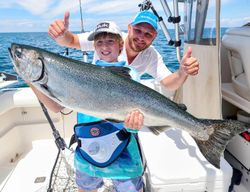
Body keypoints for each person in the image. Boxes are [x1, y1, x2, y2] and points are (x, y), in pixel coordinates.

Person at [29, 21, 145, 192]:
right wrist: (30, 78)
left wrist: (135, 125)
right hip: (87, 151)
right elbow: (55, 107)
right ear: (94, 47)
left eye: (110, 41)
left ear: (121, 45)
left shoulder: (131, 75)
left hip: (124, 152)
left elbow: (139, 117)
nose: (104, 46)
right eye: (99, 42)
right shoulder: (79, 74)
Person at [48, 10, 199, 128]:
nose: (141, 37)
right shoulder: (109, 38)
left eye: (148, 34)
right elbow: (71, 41)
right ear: (129, 28)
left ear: (154, 37)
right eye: (138, 30)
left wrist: (182, 72)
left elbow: (168, 83)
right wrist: (61, 34)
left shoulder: (151, 55)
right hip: (96, 100)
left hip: (124, 108)